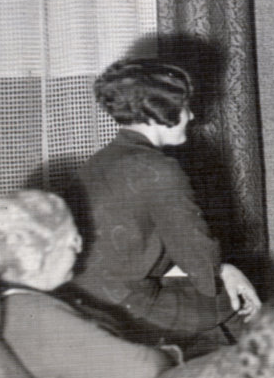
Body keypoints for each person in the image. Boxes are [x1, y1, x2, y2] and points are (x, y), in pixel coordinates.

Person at [71, 58, 261, 351]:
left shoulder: (103, 158)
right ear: (160, 111)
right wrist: (226, 270)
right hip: (127, 304)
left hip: (91, 295)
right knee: (246, 309)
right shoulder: (158, 169)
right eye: (184, 107)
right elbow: (197, 256)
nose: (191, 115)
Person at [0, 190, 178, 378]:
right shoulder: (35, 316)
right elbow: (141, 371)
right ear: (36, 255)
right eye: (72, 241)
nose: (79, 249)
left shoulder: (12, 303)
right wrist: (170, 355)